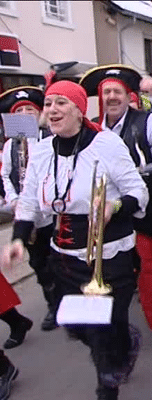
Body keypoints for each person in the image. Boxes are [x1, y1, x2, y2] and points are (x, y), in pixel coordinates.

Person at [0, 80, 149, 400]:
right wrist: (18, 240)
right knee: (78, 326)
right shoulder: (40, 151)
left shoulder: (106, 144)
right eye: (49, 104)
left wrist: (116, 205)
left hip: (110, 254)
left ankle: (106, 387)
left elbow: (138, 192)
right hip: (64, 255)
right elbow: (27, 201)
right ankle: (125, 343)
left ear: (80, 111)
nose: (52, 110)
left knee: (105, 329)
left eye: (61, 103)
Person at [78, 65, 152, 342]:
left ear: (128, 96)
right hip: (109, 208)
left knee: (151, 264)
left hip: (144, 205)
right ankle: (113, 328)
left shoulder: (146, 120)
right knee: (117, 268)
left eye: (118, 92)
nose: (112, 96)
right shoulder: (93, 127)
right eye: (107, 91)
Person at [0, 86, 58, 331]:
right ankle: (53, 304)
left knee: (58, 260)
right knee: (38, 263)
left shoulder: (50, 138)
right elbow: (4, 176)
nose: (25, 114)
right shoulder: (10, 145)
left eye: (29, 110)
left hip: (51, 214)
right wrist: (14, 200)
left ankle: (67, 300)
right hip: (26, 214)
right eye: (19, 111)